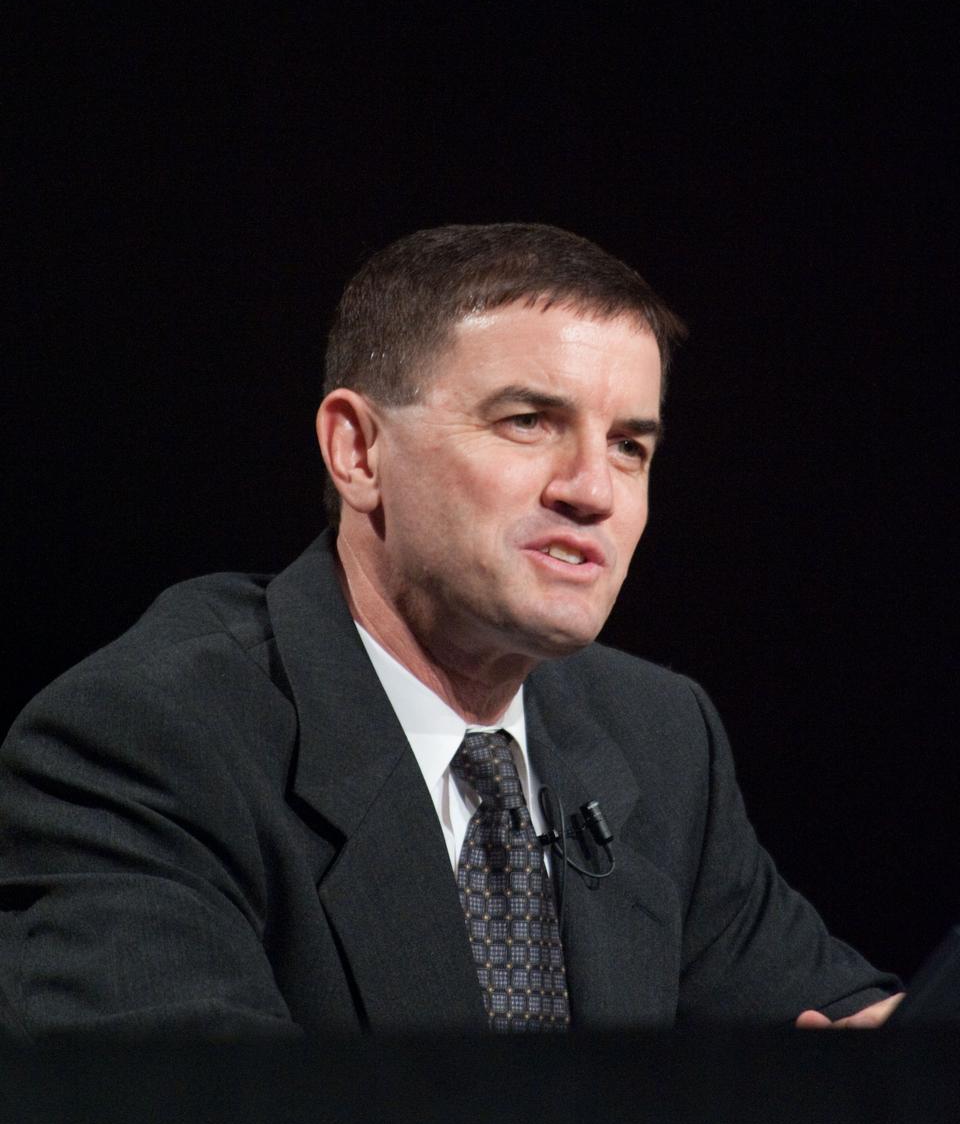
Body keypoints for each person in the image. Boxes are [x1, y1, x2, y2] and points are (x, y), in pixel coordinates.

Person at [0, 223, 900, 1036]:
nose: (594, 489)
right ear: (359, 451)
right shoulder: (148, 741)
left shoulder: (657, 735)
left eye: (631, 445)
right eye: (528, 421)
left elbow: (823, 1015)